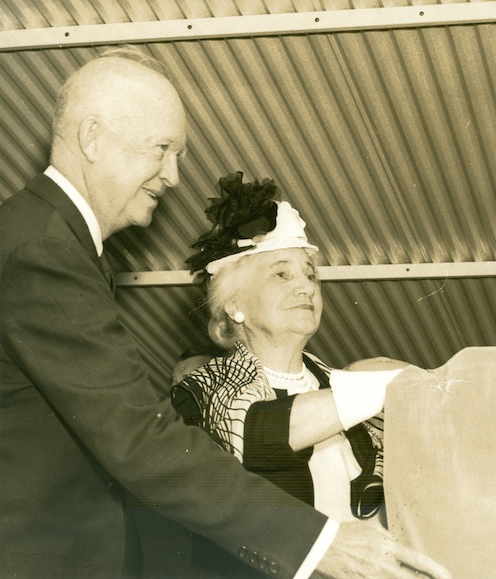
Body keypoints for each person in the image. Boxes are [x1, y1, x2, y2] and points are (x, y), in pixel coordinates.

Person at [0, 45, 450, 579]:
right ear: (92, 137)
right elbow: (140, 439)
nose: (172, 176)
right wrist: (320, 543)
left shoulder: (59, 245)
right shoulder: (44, 249)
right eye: (162, 149)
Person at [171, 172, 391, 576]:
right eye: (281, 273)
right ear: (235, 303)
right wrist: (400, 386)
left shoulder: (342, 387)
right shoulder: (202, 391)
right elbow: (255, 434)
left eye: (311, 274)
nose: (307, 287)